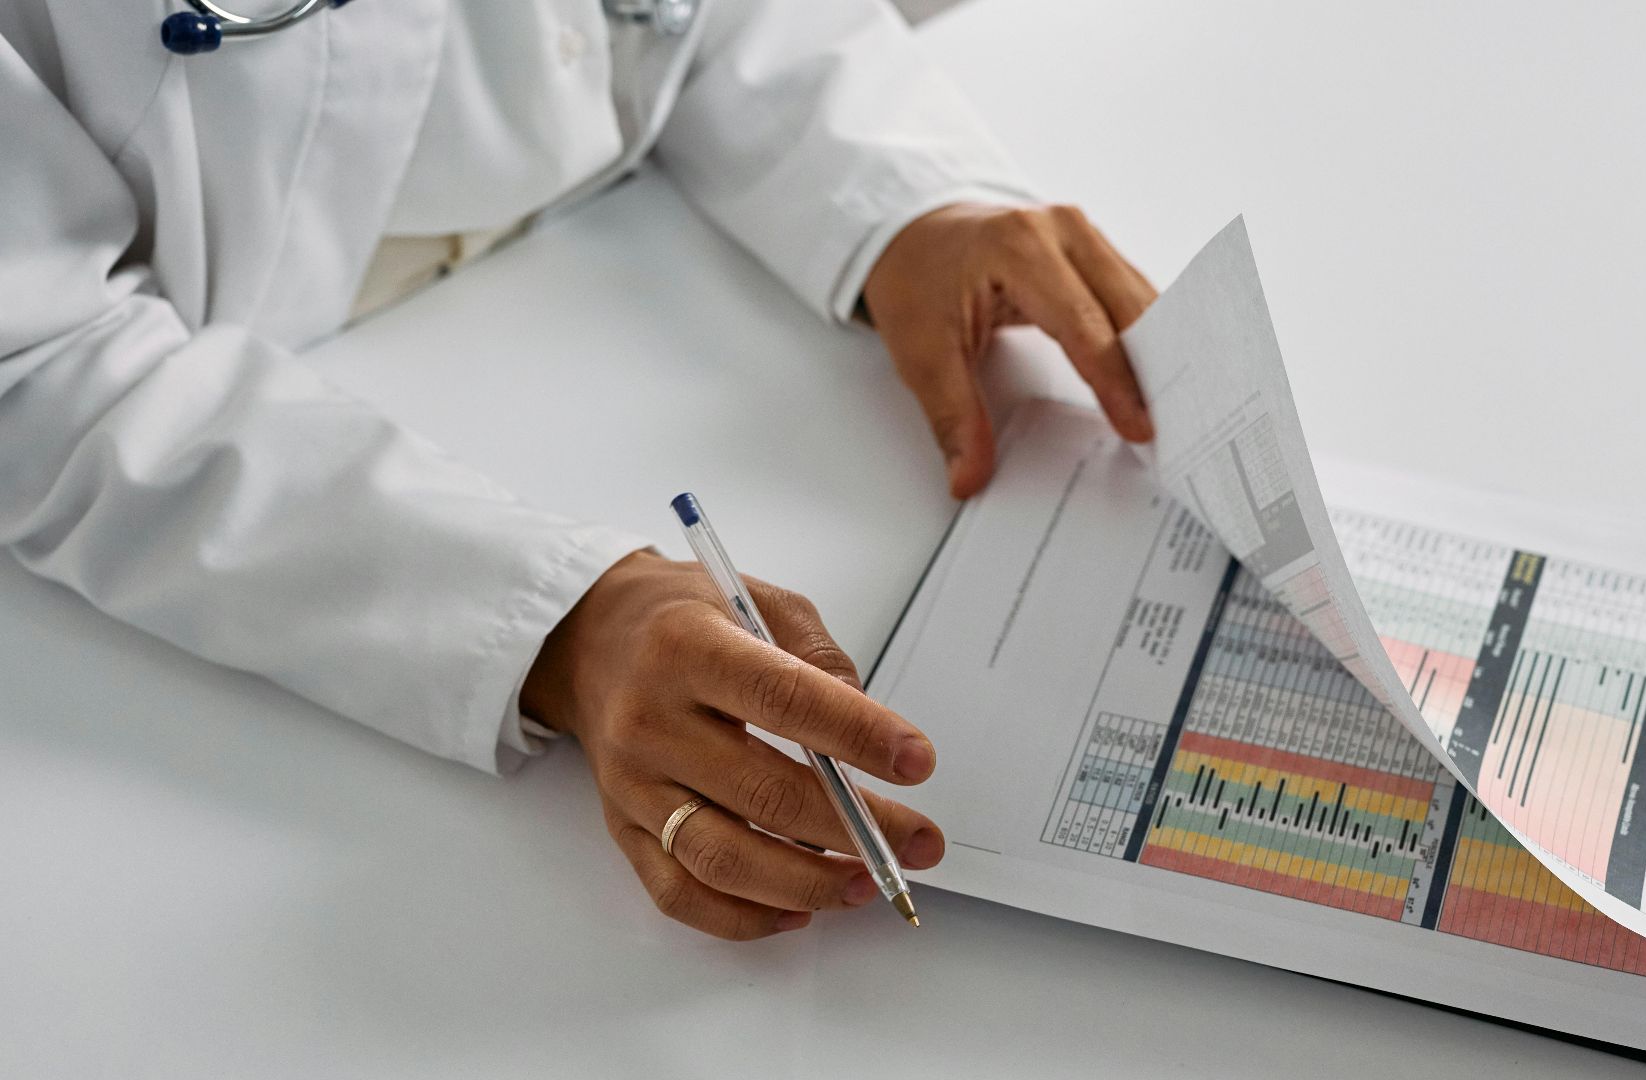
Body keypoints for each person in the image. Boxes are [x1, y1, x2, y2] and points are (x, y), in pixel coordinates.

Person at [0, 0, 1155, 940]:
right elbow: (36, 359)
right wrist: (554, 621)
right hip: (235, 421)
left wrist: (902, 207)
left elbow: (696, 20)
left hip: (615, 249)